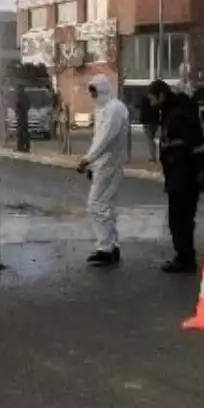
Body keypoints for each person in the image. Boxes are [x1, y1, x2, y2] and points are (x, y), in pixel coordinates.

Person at [148, 79, 204, 274]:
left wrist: (201, 170)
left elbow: (193, 145)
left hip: (183, 176)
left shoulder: (176, 115)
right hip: (182, 174)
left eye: (152, 98)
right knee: (183, 219)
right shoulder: (174, 112)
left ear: (161, 95)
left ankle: (184, 259)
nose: (150, 103)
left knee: (179, 219)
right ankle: (185, 256)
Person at [76, 74, 130, 266]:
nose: (91, 95)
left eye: (93, 91)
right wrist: (92, 162)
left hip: (109, 164)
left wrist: (87, 160)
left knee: (96, 205)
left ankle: (105, 247)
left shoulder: (114, 109)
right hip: (104, 164)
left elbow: (105, 138)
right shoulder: (105, 108)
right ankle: (111, 245)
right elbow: (98, 138)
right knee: (106, 205)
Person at [136, 93, 161, 162]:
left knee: (150, 139)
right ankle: (153, 155)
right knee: (152, 139)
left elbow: (142, 113)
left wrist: (142, 121)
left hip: (147, 123)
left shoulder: (144, 105)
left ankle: (152, 156)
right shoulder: (156, 105)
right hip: (154, 123)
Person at [14, 83, 31, 153]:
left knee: (21, 132)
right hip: (23, 117)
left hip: (22, 117)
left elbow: (21, 106)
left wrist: (19, 112)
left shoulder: (21, 97)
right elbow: (28, 106)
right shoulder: (24, 96)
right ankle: (24, 147)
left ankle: (21, 147)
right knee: (24, 132)